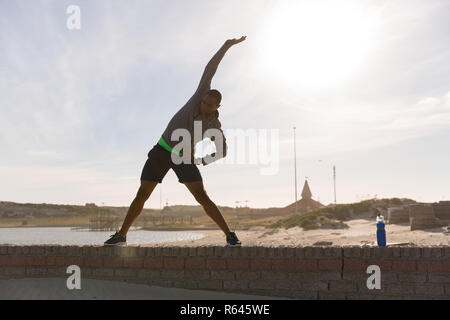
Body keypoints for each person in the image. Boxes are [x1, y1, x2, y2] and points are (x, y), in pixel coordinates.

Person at [104, 36, 247, 247]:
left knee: (202, 197)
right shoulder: (199, 95)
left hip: (184, 158)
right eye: (204, 102)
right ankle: (122, 236)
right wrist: (226, 46)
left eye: (209, 105)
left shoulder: (214, 126)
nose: (204, 106)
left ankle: (230, 235)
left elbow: (223, 150)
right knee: (142, 194)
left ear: (217, 107)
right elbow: (211, 69)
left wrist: (202, 160)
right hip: (162, 151)